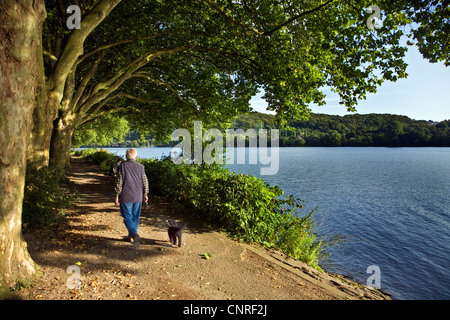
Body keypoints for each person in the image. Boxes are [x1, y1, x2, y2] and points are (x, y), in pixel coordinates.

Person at [114, 148, 149, 244]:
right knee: (135, 217)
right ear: (136, 157)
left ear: (126, 156)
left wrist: (117, 195)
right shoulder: (141, 167)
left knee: (127, 217)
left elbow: (119, 182)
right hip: (138, 195)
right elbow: (145, 181)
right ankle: (132, 236)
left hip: (126, 195)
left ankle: (133, 234)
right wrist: (145, 194)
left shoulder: (122, 167)